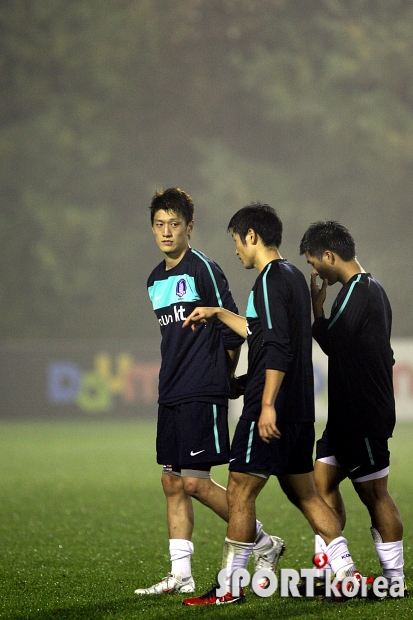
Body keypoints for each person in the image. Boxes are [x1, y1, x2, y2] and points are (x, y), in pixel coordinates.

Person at [181, 204, 360, 606]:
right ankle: (347, 571)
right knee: (308, 496)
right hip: (299, 409)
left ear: (251, 236)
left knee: (239, 493)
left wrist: (264, 405)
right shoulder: (292, 277)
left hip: (272, 410)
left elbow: (276, 347)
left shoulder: (266, 282)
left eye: (235, 241)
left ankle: (228, 589)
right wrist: (217, 312)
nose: (236, 251)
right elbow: (259, 331)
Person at [135, 189, 284, 595]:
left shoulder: (204, 270)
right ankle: (181, 575)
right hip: (172, 391)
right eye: (160, 224)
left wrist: (223, 377)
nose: (167, 232)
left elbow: (234, 329)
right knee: (171, 481)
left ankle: (265, 542)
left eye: (174, 224)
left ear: (189, 227)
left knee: (195, 483)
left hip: (202, 390)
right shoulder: (153, 280)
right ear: (152, 228)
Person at [299, 220, 407, 598]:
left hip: (363, 416)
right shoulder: (364, 290)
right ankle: (329, 574)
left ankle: (394, 580)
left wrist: (316, 311)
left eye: (314, 262)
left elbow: (333, 341)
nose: (314, 271)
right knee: (319, 486)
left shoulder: (360, 291)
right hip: (344, 417)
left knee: (375, 496)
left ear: (330, 255)